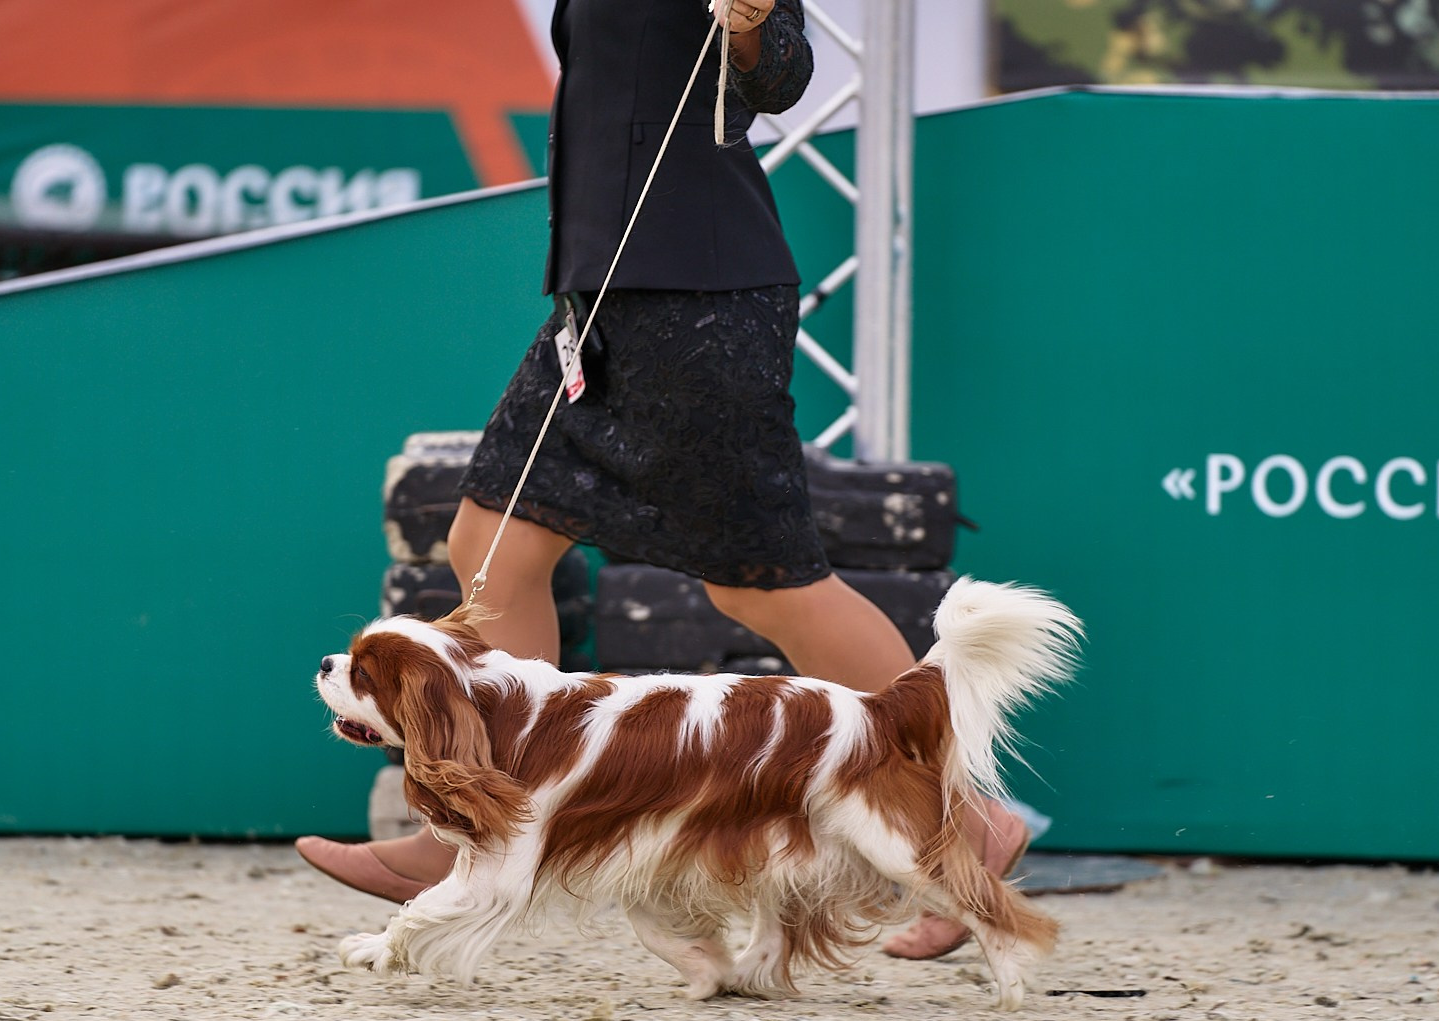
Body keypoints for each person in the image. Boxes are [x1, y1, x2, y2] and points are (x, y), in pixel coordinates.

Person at [296, 0, 1022, 961]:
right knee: (492, 544)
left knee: (770, 583)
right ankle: (479, 817)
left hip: (700, 305)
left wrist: (753, 24)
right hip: (601, 300)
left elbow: (781, 78)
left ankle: (966, 826)